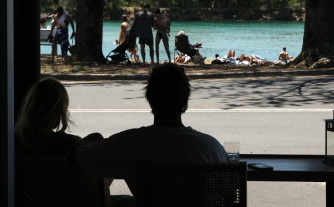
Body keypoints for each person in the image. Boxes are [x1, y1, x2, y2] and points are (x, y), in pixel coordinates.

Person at [76, 63, 228, 202]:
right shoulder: (211, 147)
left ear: (150, 99)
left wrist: (91, 139)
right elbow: (228, 191)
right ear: (185, 101)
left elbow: (73, 160)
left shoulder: (130, 142)